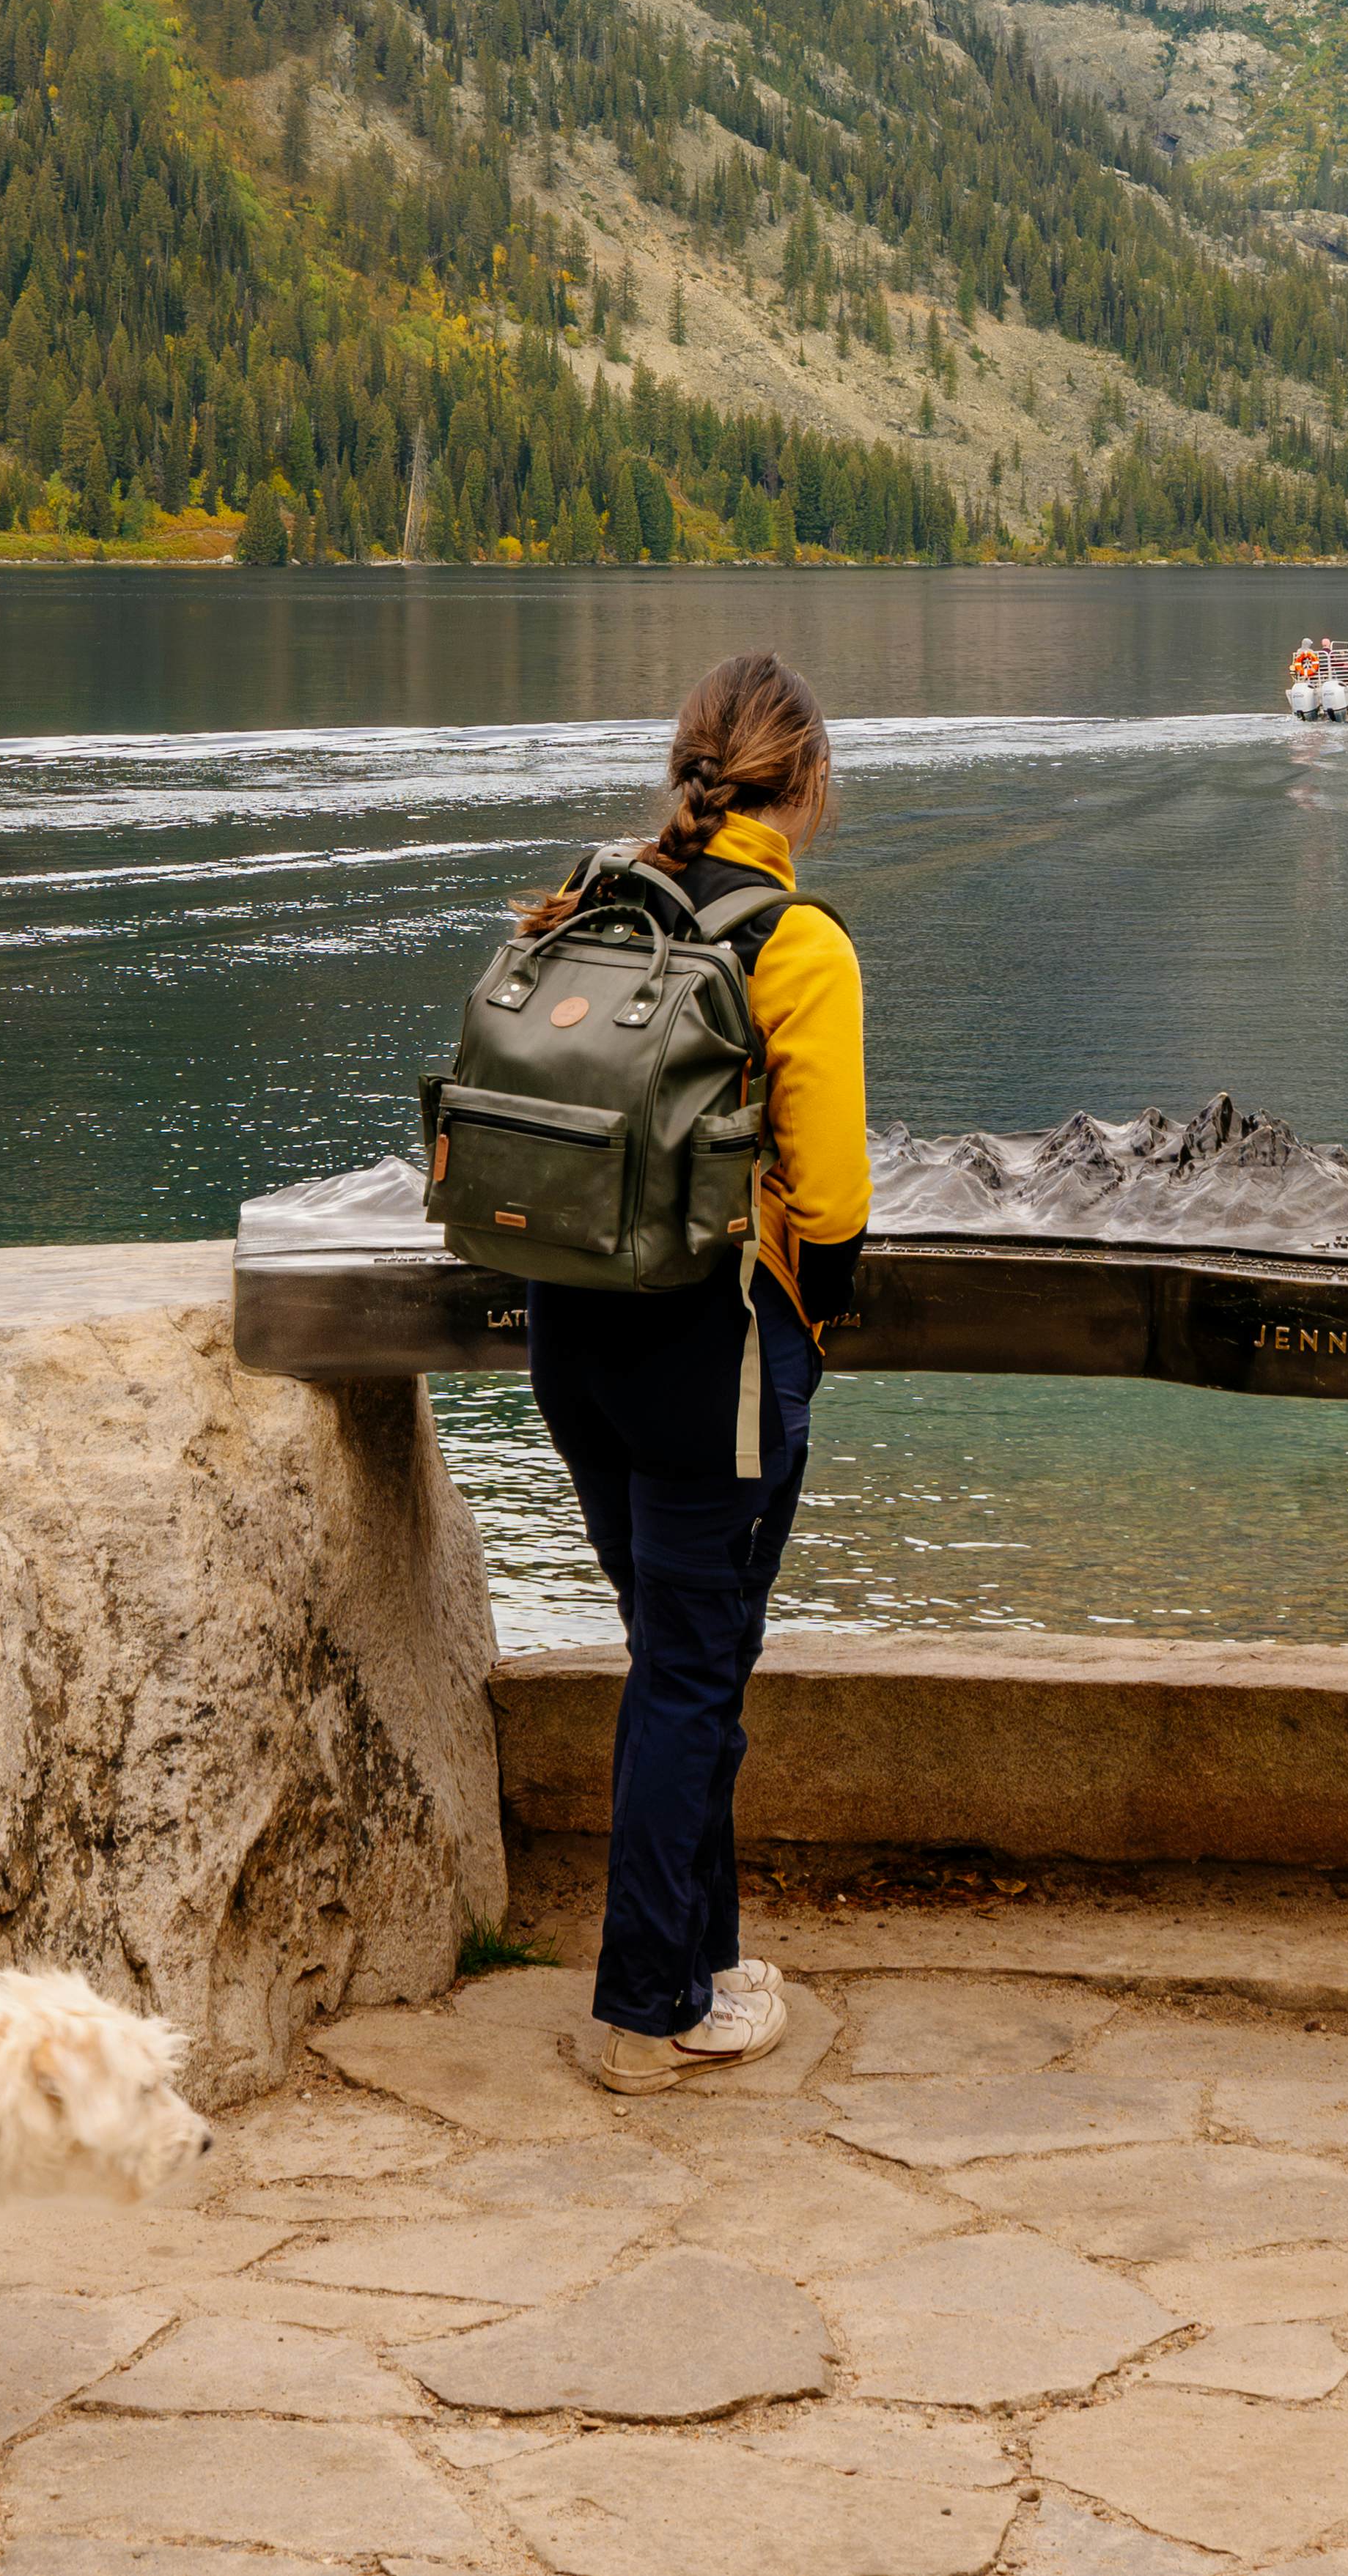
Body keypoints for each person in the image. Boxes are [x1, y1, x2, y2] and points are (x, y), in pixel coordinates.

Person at [520, 652, 866, 2092]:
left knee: (677, 1663)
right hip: (705, 1355)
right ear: (806, 784)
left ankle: (707, 1964)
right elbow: (833, 1198)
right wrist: (814, 1324)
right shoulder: (793, 942)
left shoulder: (589, 893)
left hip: (569, 1332)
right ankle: (646, 2006)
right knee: (690, 1672)